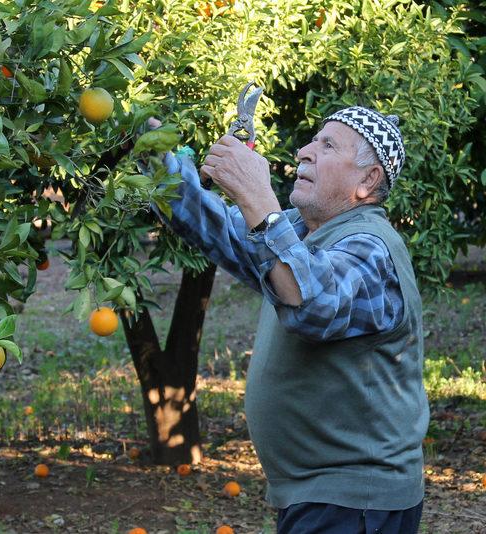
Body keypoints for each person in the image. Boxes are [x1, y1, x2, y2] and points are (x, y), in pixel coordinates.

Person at [148, 106, 429, 533]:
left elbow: (312, 304)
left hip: (356, 501)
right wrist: (153, 158)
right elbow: (223, 232)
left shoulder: (372, 248)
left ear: (367, 181)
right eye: (313, 140)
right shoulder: (302, 232)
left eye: (328, 145)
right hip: (324, 496)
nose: (305, 151)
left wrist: (258, 198)